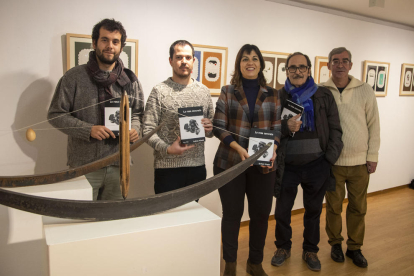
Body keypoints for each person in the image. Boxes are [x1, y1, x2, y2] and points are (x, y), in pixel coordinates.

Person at [48, 19, 144, 201]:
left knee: (113, 221)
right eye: (105, 40)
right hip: (84, 166)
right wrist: (88, 130)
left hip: (119, 163)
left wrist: (135, 129)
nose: (110, 46)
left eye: (115, 42)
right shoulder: (74, 77)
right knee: (81, 221)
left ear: (121, 47)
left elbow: (138, 112)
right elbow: (55, 114)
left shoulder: (130, 80)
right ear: (94, 43)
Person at [271, 52, 343, 272]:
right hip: (287, 167)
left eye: (302, 67)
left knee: (313, 212)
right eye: (292, 68)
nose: (297, 71)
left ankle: (310, 250)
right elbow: (270, 128)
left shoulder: (323, 95)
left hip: (317, 166)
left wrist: (328, 160)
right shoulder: (278, 96)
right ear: (286, 71)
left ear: (310, 70)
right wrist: (285, 127)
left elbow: (336, 130)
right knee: (282, 211)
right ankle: (283, 247)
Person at [213, 44, 281, 276]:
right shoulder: (228, 91)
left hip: (263, 166)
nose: (249, 62)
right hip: (230, 162)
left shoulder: (273, 94)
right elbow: (219, 127)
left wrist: (274, 149)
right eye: (244, 59)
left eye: (254, 58)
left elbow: (277, 128)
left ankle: (255, 263)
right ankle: (230, 264)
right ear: (238, 64)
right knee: (232, 215)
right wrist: (239, 149)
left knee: (260, 216)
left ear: (261, 64)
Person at [321, 47, 380, 268]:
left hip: (359, 163)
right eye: (335, 61)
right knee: (333, 207)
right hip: (333, 162)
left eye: (345, 61)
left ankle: (355, 247)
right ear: (328, 65)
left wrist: (372, 155)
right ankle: (335, 244)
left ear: (351, 65)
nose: (340, 65)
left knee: (358, 207)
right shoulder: (321, 90)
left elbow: (374, 125)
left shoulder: (365, 90)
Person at [143, 40, 213, 194]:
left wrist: (209, 127)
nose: (184, 62)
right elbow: (147, 130)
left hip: (197, 168)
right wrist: (167, 149)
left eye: (188, 58)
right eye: (179, 57)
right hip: (167, 169)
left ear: (194, 61)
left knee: (194, 215)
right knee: (168, 216)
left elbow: (211, 131)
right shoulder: (159, 91)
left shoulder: (204, 91)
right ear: (171, 61)